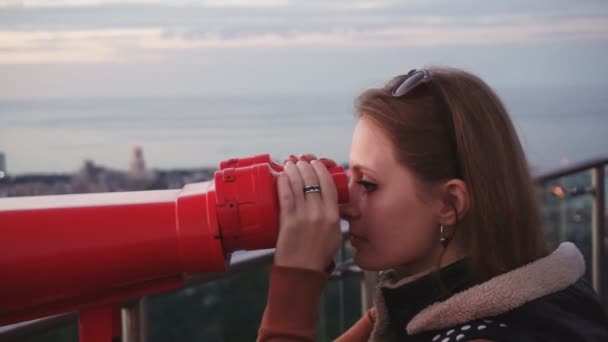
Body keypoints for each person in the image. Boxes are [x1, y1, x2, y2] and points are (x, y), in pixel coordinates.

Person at [256, 67, 608, 341]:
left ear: (450, 203)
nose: (346, 204)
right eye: (347, 177)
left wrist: (297, 279)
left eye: (367, 183)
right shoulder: (426, 305)